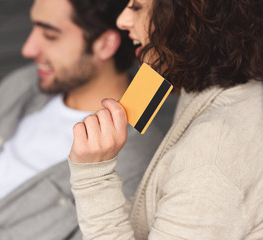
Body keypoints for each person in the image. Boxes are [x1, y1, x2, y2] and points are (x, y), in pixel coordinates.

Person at [0, 0, 167, 239]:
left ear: (105, 44)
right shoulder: (27, 84)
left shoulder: (138, 158)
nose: (28, 49)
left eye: (50, 35)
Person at [69, 0, 263, 239]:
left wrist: (93, 178)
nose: (122, 21)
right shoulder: (210, 88)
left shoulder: (211, 158)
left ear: (189, 16)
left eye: (137, 7)